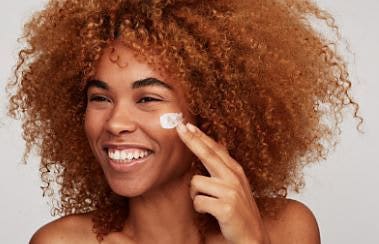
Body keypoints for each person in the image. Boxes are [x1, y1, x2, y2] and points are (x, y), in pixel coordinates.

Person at [7, 0, 361, 243]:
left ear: (209, 112)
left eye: (147, 99)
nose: (115, 123)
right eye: (100, 98)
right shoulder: (62, 241)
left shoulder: (288, 230)